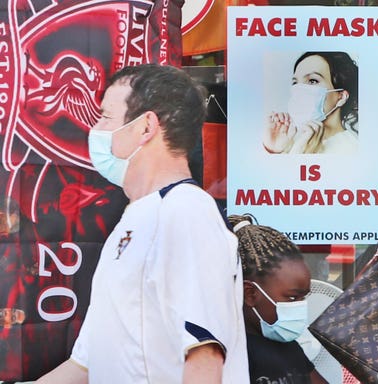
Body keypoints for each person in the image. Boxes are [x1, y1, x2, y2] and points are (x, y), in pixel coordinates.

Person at [36, 64, 249, 383]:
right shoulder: (135, 219)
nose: (96, 129)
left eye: (106, 117)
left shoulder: (185, 210)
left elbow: (204, 354)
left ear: (146, 126)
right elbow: (86, 364)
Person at [228, 214, 328, 384]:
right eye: (292, 297)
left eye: (303, 297)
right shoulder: (234, 355)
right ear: (250, 294)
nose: (300, 306)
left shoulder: (289, 346)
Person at [263, 51, 358, 154]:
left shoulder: (352, 150)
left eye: (312, 81)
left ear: (341, 97)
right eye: (295, 83)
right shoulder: (289, 140)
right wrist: (273, 151)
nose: (299, 90)